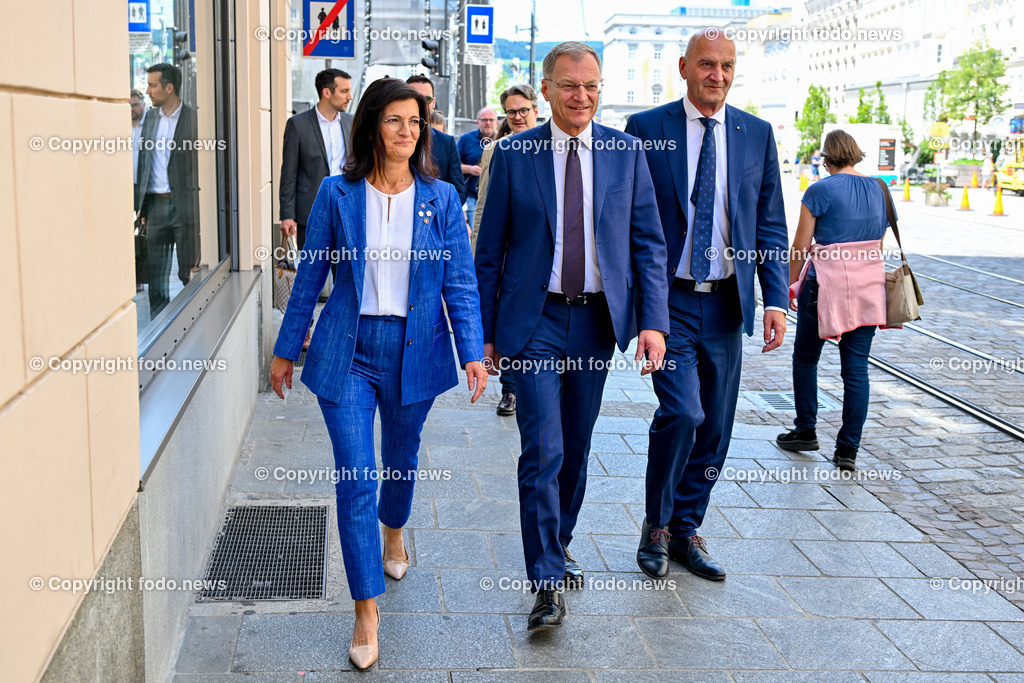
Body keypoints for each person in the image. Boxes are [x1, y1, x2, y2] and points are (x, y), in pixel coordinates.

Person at [270, 77, 488, 669]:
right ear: (370, 126)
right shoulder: (337, 195)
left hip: (416, 348)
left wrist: (472, 349)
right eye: (394, 120)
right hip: (348, 349)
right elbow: (311, 276)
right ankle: (366, 608)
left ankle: (396, 529)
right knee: (355, 475)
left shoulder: (440, 199)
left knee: (400, 458)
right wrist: (287, 348)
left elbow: (459, 283)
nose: (407, 132)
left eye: (415, 122)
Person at [476, 41, 670, 631]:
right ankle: (544, 580)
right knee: (543, 448)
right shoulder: (512, 155)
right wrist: (484, 335)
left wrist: (654, 322)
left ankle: (557, 544)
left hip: (594, 324)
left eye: (589, 85)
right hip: (531, 324)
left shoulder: (626, 152)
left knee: (577, 451)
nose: (579, 96)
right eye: (567, 85)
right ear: (546, 89)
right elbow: (489, 252)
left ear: (600, 87)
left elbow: (649, 244)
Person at [625, 29, 788, 581]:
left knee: (716, 426)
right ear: (683, 67)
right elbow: (628, 221)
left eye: (726, 65)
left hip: (726, 303)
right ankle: (656, 526)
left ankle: (686, 527)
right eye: (706, 65)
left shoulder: (756, 134)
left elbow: (769, 222)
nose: (716, 75)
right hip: (667, 302)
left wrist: (775, 298)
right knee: (684, 412)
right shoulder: (648, 130)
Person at [777, 129, 892, 471]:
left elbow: (800, 245)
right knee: (856, 370)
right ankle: (847, 450)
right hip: (869, 287)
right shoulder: (881, 189)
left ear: (826, 160)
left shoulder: (819, 190)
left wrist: (789, 285)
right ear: (856, 155)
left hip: (824, 286)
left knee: (806, 357)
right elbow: (878, 244)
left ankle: (806, 429)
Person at [474, 84, 540, 417]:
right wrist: (479, 251)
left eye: (522, 110)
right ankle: (511, 391)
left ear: (535, 110)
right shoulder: (496, 151)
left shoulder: (551, 148)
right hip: (505, 256)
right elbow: (484, 206)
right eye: (511, 112)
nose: (517, 117)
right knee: (508, 321)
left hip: (537, 258)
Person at [135, 63, 200, 319]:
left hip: (185, 207)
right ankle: (158, 332)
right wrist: (142, 207)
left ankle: (191, 328)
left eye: (152, 85)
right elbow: (144, 161)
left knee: (189, 275)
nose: (148, 91)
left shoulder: (194, 119)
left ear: (168, 87)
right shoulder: (150, 118)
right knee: (157, 280)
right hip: (156, 208)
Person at [406, 75, 467, 205]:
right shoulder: (392, 137)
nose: (421, 103)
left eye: (426, 99)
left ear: (433, 103)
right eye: (415, 98)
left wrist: (438, 215)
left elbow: (459, 191)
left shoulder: (446, 142)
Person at [457, 107, 498, 227]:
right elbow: (453, 166)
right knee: (475, 232)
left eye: (491, 120)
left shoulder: (504, 140)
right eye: (484, 120)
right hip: (471, 196)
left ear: (497, 122)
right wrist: (470, 169)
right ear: (477, 122)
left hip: (495, 196)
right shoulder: (466, 139)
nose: (488, 123)